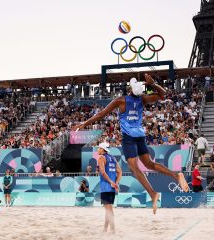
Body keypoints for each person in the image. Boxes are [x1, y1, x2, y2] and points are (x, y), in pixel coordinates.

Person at [73, 73, 189, 214]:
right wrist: (152, 83)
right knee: (149, 164)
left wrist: (84, 123)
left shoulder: (121, 100)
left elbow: (100, 114)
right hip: (140, 135)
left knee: (135, 169)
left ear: (130, 89)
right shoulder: (143, 99)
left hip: (129, 138)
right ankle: (176, 176)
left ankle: (153, 194)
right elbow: (163, 94)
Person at [97, 142, 122, 234]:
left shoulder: (101, 158)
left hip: (106, 186)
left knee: (109, 209)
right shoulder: (113, 158)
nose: (97, 150)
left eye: (99, 148)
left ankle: (113, 230)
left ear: (103, 149)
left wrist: (111, 182)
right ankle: (105, 229)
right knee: (108, 209)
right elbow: (120, 172)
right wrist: (116, 183)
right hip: (112, 188)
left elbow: (103, 172)